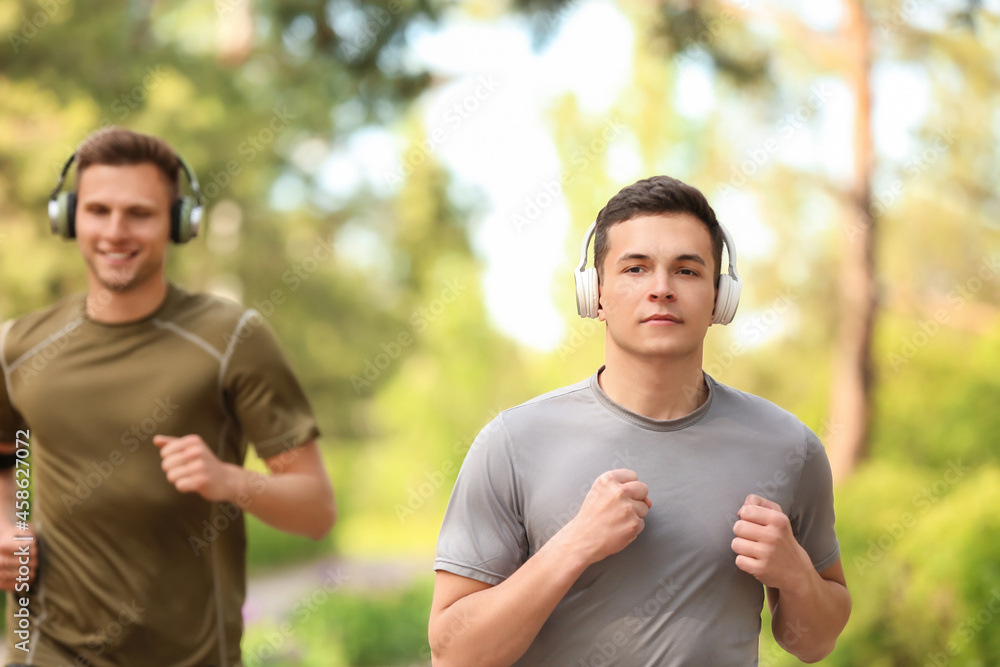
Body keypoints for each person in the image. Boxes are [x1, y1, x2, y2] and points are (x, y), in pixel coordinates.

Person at [429, 175, 850, 666]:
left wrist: (796, 573)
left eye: (687, 271)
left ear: (720, 296)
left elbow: (814, 644)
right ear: (596, 293)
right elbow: (455, 655)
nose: (661, 289)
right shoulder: (512, 444)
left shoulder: (787, 447)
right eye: (636, 268)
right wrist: (573, 545)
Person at [0, 127, 336, 666]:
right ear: (68, 217)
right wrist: (10, 523)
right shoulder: (19, 346)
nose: (115, 231)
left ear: (179, 223)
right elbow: (6, 450)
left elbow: (316, 510)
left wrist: (230, 481)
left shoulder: (232, 340)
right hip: (45, 650)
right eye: (98, 210)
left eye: (139, 213)